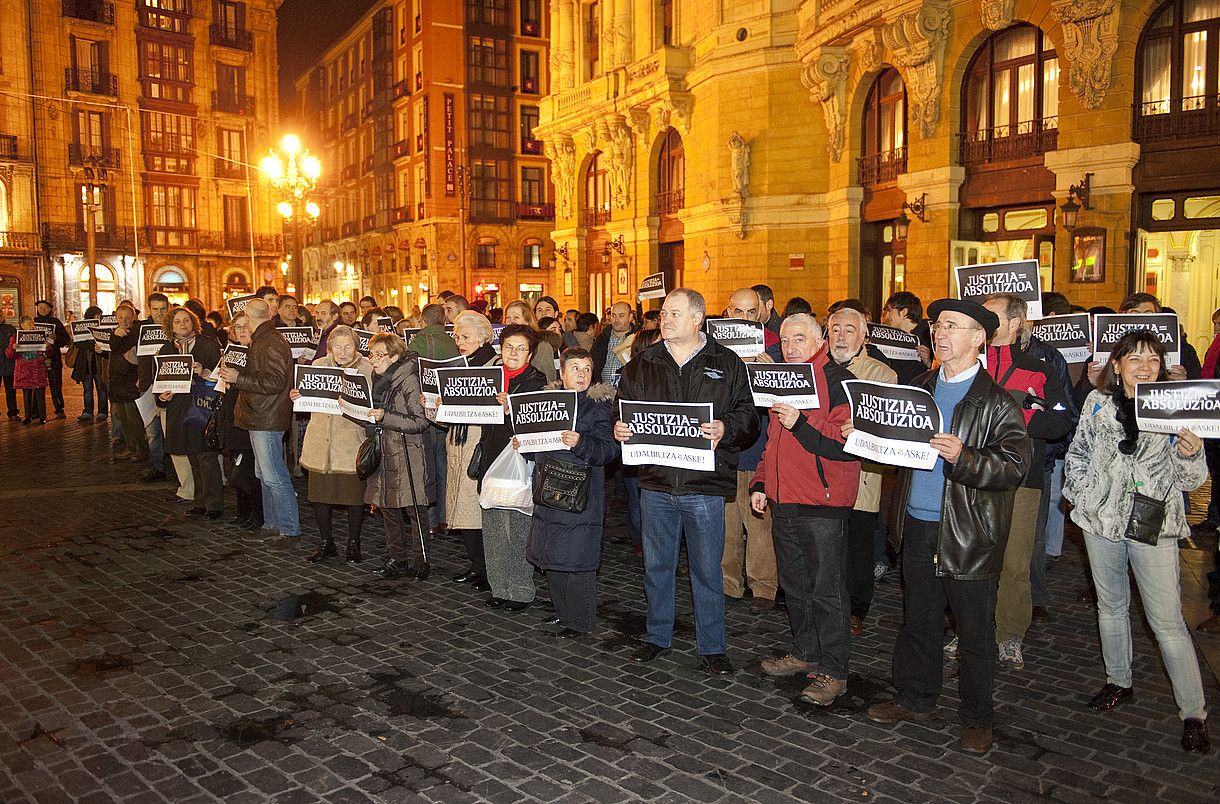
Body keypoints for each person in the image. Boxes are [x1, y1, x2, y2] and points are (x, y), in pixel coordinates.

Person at [867, 298, 1029, 755]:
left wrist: (966, 458)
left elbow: (1014, 466)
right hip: (917, 523)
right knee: (918, 619)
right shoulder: (917, 387)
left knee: (974, 630)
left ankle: (978, 718)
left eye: (954, 327)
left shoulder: (997, 402)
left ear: (979, 339)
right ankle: (915, 698)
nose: (941, 334)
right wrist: (864, 435)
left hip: (967, 532)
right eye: (939, 326)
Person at [1062, 330, 1210, 754]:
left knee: (1167, 623)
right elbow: (1079, 453)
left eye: (1152, 359)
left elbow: (1191, 482)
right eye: (1134, 359)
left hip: (1154, 525)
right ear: (1118, 366)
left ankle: (1193, 713)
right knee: (1110, 607)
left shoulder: (1174, 409)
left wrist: (1189, 453)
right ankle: (1118, 680)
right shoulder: (1097, 403)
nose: (1144, 366)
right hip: (1101, 522)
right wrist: (1080, 494)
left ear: (1162, 367)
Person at [613, 288, 759, 675]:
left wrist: (726, 428)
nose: (666, 319)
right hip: (657, 482)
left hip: (703, 486)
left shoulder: (726, 363)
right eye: (663, 313)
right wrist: (620, 426)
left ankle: (712, 645)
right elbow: (622, 405)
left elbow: (749, 415)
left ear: (698, 319)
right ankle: (657, 635)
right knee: (657, 566)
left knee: (707, 569)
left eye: (675, 313)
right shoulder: (643, 363)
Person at [752, 313, 860, 705]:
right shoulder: (782, 379)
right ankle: (805, 651)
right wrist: (761, 481)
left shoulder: (837, 381)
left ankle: (834, 670)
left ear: (820, 343)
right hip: (784, 499)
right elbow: (772, 441)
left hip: (822, 502)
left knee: (827, 591)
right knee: (795, 587)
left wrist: (801, 422)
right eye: (785, 339)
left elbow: (843, 444)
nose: (791, 346)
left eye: (800, 338)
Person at [979, 293, 1071, 672]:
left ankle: (1010, 634)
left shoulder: (1040, 368)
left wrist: (1018, 416)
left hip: (1023, 478)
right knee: (975, 558)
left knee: (1015, 561)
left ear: (1015, 322)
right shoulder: (968, 364)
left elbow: (1062, 419)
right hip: (973, 475)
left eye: (991, 316)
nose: (982, 322)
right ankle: (972, 628)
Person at [525, 347, 618, 637]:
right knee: (551, 553)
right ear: (562, 372)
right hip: (549, 489)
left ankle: (581, 620)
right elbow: (538, 442)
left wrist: (580, 443)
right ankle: (563, 612)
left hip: (582, 493)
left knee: (578, 558)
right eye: (575, 368)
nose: (581, 374)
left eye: (587, 368)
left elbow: (609, 450)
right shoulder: (545, 401)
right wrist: (526, 448)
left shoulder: (600, 406)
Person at [825, 307, 897, 636]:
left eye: (849, 330)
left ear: (864, 336)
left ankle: (857, 608)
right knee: (828, 543)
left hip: (861, 473)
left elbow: (884, 424)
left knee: (858, 544)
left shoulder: (881, 374)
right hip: (822, 472)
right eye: (835, 329)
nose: (841, 336)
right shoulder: (817, 367)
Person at [476, 325, 548, 609]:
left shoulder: (536, 382)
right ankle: (499, 588)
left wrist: (511, 411)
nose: (513, 353)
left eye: (520, 349)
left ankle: (520, 590)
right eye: (508, 347)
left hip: (520, 462)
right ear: (500, 349)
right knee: (493, 530)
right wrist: (443, 404)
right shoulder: (488, 378)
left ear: (529, 354)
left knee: (519, 529)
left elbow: (536, 424)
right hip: (490, 460)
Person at [721, 288, 782, 612]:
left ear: (761, 313)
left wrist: (769, 371)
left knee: (759, 522)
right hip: (727, 447)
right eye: (738, 311)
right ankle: (729, 583)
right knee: (727, 521)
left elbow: (786, 399)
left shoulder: (773, 344)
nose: (744, 318)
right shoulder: (716, 348)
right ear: (728, 312)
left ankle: (763, 588)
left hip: (760, 447)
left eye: (750, 311)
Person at [218, 299, 298, 540]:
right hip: (259, 416)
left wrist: (238, 378)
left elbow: (275, 383)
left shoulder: (269, 341)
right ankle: (271, 524)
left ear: (250, 317)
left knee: (274, 475)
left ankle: (289, 528)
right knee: (264, 474)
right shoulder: (263, 339)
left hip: (267, 418)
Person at [294, 326, 371, 563]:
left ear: (356, 347)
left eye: (348, 346)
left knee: (353, 498)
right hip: (320, 440)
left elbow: (369, 403)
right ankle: (326, 542)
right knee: (319, 496)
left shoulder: (365, 368)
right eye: (337, 347)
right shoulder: (317, 366)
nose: (343, 351)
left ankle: (353, 543)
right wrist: (298, 396)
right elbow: (308, 398)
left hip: (349, 441)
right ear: (330, 348)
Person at [366, 332, 432, 578]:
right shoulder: (377, 378)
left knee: (414, 509)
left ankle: (421, 561)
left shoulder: (408, 379)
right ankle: (396, 558)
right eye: (371, 354)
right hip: (385, 450)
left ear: (394, 356)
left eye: (379, 355)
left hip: (408, 452)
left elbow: (420, 421)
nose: (373, 360)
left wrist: (385, 417)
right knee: (387, 507)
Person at [441, 310, 497, 591]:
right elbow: (444, 416)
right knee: (462, 510)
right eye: (457, 337)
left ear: (483, 337)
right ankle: (476, 565)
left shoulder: (493, 364)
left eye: (466, 337)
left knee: (477, 510)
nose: (460, 342)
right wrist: (435, 404)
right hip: (457, 441)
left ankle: (488, 568)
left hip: (478, 442)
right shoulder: (457, 365)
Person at [157, 308, 224, 518]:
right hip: (179, 407)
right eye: (178, 322)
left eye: (186, 320)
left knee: (206, 456)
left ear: (194, 323)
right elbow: (158, 381)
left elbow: (220, 376)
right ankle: (200, 502)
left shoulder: (207, 345)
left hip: (202, 406)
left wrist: (203, 371)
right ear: (171, 326)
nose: (183, 324)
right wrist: (162, 396)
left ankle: (214, 505)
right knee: (192, 455)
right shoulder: (166, 350)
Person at [216, 313, 262, 530]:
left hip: (249, 416)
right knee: (237, 463)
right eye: (238, 327)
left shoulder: (257, 352)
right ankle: (243, 511)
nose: (242, 331)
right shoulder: (229, 352)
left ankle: (257, 513)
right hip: (231, 414)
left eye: (246, 326)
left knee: (250, 468)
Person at [135, 293, 173, 483]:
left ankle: (174, 466)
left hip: (170, 384)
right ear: (149, 309)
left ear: (168, 308)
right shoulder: (141, 328)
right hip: (148, 384)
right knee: (152, 430)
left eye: (163, 309)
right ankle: (157, 465)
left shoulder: (174, 327)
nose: (159, 313)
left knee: (171, 427)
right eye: (156, 309)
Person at [105, 305, 146, 461]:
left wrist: (116, 337)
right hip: (117, 382)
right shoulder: (116, 333)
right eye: (121, 317)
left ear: (133, 317)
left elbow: (117, 347)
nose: (124, 321)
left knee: (133, 419)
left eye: (127, 317)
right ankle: (131, 447)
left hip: (130, 382)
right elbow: (113, 349)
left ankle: (140, 449)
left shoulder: (135, 332)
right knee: (123, 418)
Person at [6, 315, 51, 425]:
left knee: (40, 393)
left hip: (38, 368)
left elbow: (49, 353)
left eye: (32, 324)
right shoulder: (15, 337)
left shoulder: (40, 336)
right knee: (27, 394)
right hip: (25, 369)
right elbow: (9, 354)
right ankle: (28, 416)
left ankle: (42, 416)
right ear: (22, 325)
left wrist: (48, 346)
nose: (31, 326)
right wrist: (14, 348)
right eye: (28, 324)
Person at [69, 304, 109, 423]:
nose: (98, 318)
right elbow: (78, 343)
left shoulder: (102, 327)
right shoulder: (81, 327)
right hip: (85, 364)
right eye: (96, 316)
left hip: (99, 363)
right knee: (87, 389)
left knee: (101, 388)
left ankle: (102, 412)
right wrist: (92, 345)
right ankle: (88, 411)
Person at [503, 300, 558, 381]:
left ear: (527, 321)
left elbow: (550, 380)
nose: (511, 322)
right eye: (508, 318)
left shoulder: (542, 346)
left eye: (516, 317)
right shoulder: (500, 344)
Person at [33, 300, 71, 419]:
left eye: (45, 307)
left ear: (50, 309)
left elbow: (66, 339)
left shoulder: (56, 322)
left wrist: (55, 338)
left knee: (55, 384)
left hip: (53, 358)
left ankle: (59, 409)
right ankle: (35, 410)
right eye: (40, 307)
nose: (43, 309)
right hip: (37, 359)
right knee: (37, 385)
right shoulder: (33, 322)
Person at [592, 302, 637, 385]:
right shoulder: (602, 339)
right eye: (613, 315)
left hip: (627, 391)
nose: (616, 320)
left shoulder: (637, 339)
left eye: (621, 316)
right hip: (603, 391)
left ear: (630, 317)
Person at [0, 314, 16, 420]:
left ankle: (13, 412)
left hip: (9, 363)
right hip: (6, 362)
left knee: (10, 390)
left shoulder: (10, 329)